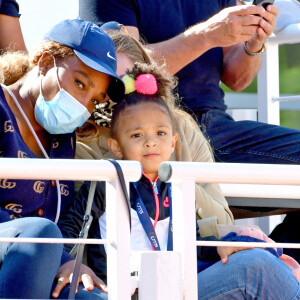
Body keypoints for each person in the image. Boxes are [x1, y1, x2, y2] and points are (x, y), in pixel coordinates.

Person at [79, 0, 300, 262]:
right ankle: (260, 263)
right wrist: (205, 35)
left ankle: (272, 259)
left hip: (215, 125)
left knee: (261, 264)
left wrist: (253, 43)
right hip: (152, 128)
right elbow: (126, 68)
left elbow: (237, 79)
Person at [59, 64, 300, 299]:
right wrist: (70, 262)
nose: (150, 142)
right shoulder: (105, 183)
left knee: (258, 260)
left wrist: (220, 246)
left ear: (173, 141)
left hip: (179, 289)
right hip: (122, 292)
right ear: (116, 147)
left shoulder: (178, 185)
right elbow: (70, 229)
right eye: (137, 135)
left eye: (160, 133)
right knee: (256, 267)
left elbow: (191, 242)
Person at [0, 18, 124, 299]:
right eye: (80, 83)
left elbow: (62, 220)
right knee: (41, 232)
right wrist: (50, 249)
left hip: (40, 271)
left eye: (95, 100)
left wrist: (70, 261)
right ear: (44, 62)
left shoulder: (63, 138)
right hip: (15, 255)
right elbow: (41, 233)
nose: (83, 105)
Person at [75, 30, 233, 240]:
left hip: (194, 265)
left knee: (260, 261)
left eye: (125, 83)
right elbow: (83, 237)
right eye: (109, 85)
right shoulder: (82, 145)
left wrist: (176, 182)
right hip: (117, 270)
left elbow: (223, 224)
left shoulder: (182, 129)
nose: (118, 96)